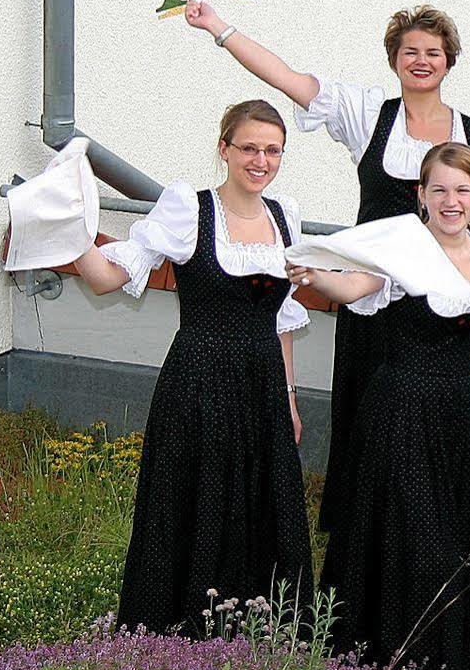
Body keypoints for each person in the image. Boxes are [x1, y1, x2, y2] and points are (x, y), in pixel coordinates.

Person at [183, 0, 470, 541]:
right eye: (410, 51)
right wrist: (219, 27)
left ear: (450, 61)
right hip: (369, 297)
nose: (422, 60)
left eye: (433, 52)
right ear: (395, 60)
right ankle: (360, 538)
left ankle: (429, 531)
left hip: (437, 313)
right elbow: (290, 79)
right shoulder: (368, 116)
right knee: (364, 414)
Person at [70, 100, 313, 635]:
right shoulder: (189, 208)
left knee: (259, 500)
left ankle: (252, 629)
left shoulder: (284, 216)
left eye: (272, 150)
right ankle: (181, 632)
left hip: (263, 383)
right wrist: (66, 232)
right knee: (194, 498)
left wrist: (290, 400)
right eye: (249, 148)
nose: (261, 160)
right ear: (224, 149)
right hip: (199, 378)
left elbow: (282, 320)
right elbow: (109, 278)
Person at [289, 144, 470, 670]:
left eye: (462, 189)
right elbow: (355, 286)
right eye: (439, 189)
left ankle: (445, 658)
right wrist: (316, 275)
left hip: (459, 413)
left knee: (452, 532)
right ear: (421, 196)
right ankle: (394, 656)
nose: (451, 200)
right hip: (403, 407)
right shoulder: (405, 248)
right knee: (411, 530)